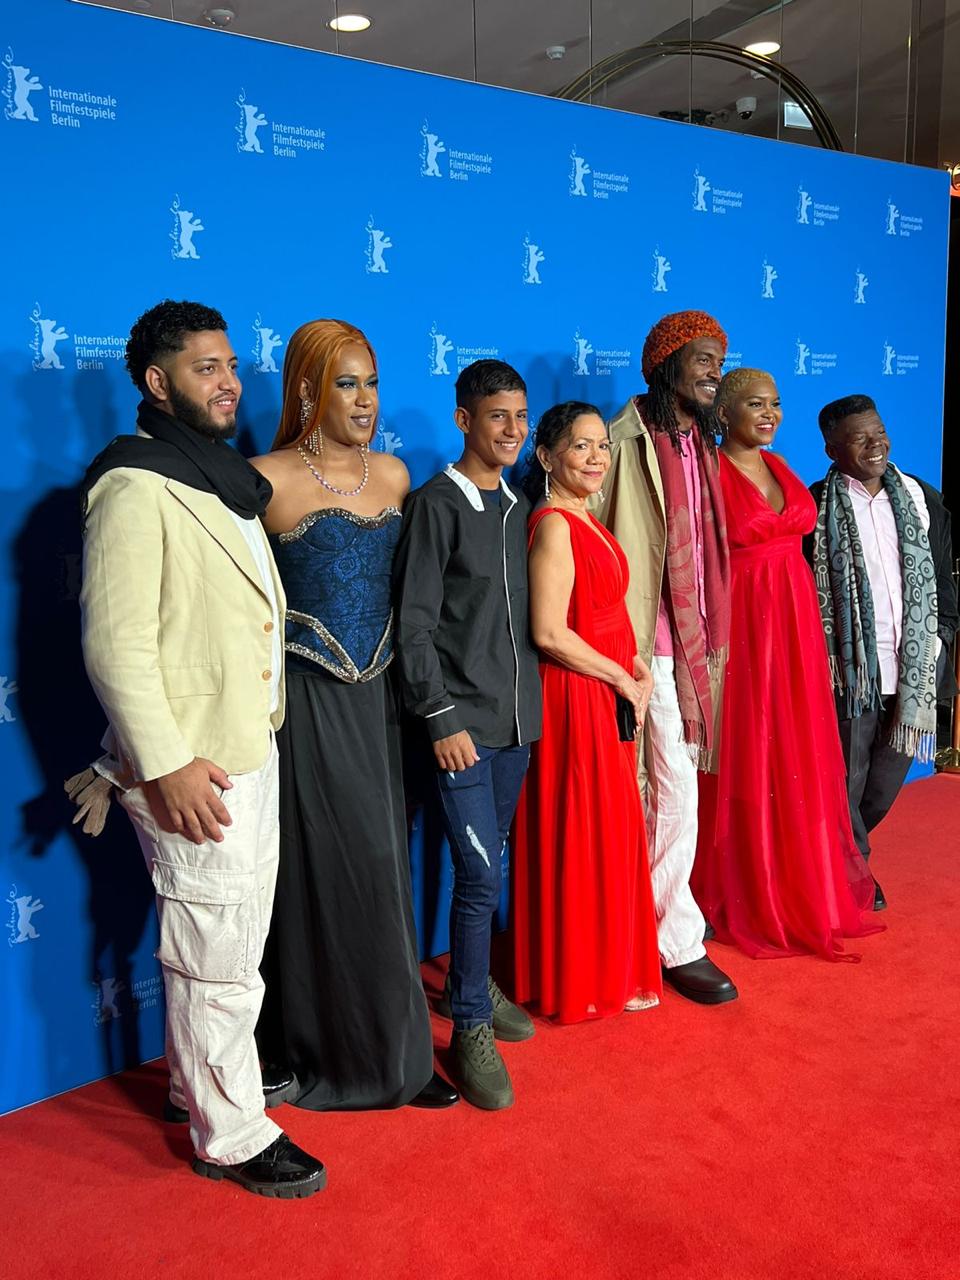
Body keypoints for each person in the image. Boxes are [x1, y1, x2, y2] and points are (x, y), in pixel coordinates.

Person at [79, 299, 325, 1198]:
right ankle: (232, 1135)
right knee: (214, 949)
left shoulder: (218, 477)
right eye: (205, 369)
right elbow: (115, 645)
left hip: (244, 745)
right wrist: (165, 763)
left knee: (230, 942)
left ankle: (199, 1083)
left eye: (231, 366)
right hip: (190, 763)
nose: (229, 383)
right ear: (158, 383)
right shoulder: (134, 485)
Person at [251, 319, 456, 1112]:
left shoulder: (396, 475)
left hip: (383, 707)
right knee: (322, 873)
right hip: (307, 708)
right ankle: (320, 1051)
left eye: (371, 382)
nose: (366, 400)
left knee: (384, 872)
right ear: (307, 391)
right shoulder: (263, 481)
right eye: (347, 383)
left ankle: (397, 1052)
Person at [393, 359, 542, 1110]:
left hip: (518, 725)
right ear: (464, 420)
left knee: (494, 863)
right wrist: (440, 717)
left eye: (520, 416)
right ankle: (470, 1023)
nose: (512, 430)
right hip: (462, 730)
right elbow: (413, 626)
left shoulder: (521, 505)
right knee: (480, 876)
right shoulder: (436, 504)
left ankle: (466, 981)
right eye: (496, 416)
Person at [691, 369, 879, 960]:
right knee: (746, 754)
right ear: (724, 413)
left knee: (795, 752)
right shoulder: (706, 471)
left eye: (775, 403)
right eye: (755, 404)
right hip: (742, 626)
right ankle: (745, 887)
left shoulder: (780, 466)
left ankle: (796, 881)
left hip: (795, 627)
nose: (770, 414)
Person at [596, 311, 737, 1004]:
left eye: (720, 361)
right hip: (639, 643)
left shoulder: (703, 442)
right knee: (666, 786)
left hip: (694, 642)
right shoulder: (620, 439)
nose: (715, 372)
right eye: (703, 359)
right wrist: (609, 644)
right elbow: (584, 528)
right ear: (665, 363)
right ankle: (671, 940)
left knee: (671, 788)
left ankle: (653, 926)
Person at [512, 402, 662, 1022]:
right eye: (581, 446)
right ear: (547, 457)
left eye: (603, 445)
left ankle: (605, 964)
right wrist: (619, 676)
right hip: (575, 695)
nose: (597, 457)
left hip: (605, 687)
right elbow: (549, 632)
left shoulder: (584, 516)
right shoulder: (554, 525)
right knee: (585, 831)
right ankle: (580, 975)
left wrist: (636, 665)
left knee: (610, 829)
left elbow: (604, 610)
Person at [809, 394, 959, 909]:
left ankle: (842, 855)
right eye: (860, 437)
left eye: (880, 433)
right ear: (832, 448)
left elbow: (943, 577)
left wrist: (941, 637)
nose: (876, 445)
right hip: (851, 672)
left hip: (914, 667)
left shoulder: (921, 497)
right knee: (845, 780)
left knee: (884, 784)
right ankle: (854, 874)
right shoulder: (815, 507)